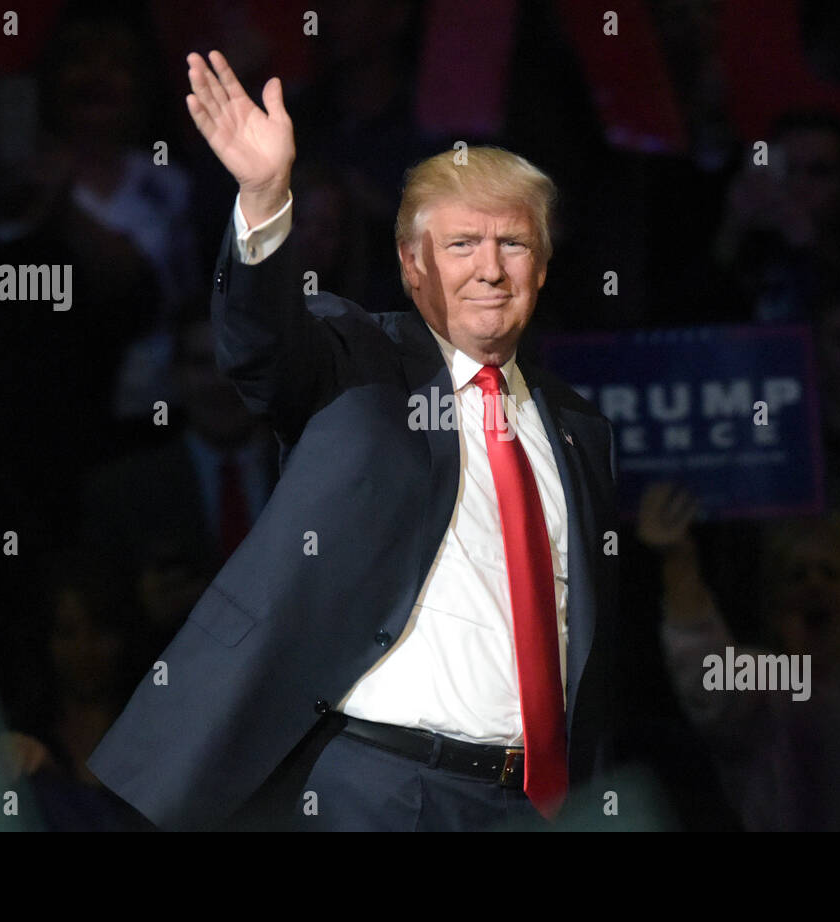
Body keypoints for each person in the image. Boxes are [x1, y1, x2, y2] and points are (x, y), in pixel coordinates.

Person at [88, 51, 621, 831]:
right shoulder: (358, 356)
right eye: (462, 244)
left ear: (542, 269)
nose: (491, 270)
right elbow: (260, 342)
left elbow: (587, 638)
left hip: (529, 806)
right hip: (372, 788)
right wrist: (266, 198)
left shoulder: (580, 430)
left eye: (514, 244)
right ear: (413, 266)